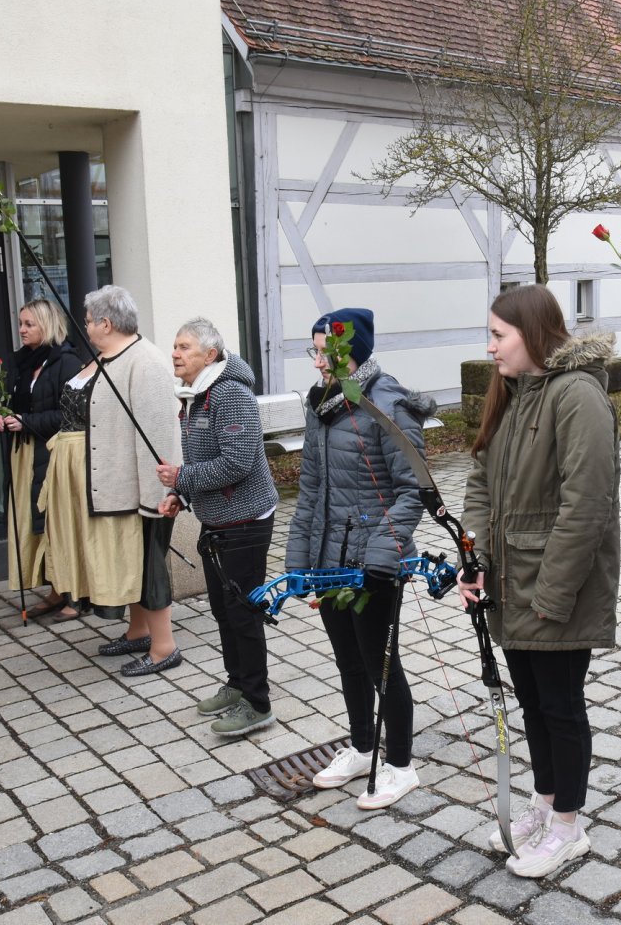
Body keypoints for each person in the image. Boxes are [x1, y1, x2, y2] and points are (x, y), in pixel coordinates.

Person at [460, 285, 621, 879]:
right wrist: (472, 553)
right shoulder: (513, 391)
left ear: (532, 332)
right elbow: (480, 478)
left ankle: (568, 828)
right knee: (531, 701)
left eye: (499, 335)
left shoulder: (576, 396)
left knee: (559, 705)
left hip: (557, 586)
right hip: (510, 581)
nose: (491, 346)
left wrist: (553, 592)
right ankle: (544, 802)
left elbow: (587, 505)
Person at [288, 307, 434, 809]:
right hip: (330, 556)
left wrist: (381, 556)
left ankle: (400, 765)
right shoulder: (323, 404)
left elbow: (412, 490)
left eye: (323, 351)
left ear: (349, 350)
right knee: (348, 661)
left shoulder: (387, 403)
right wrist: (298, 564)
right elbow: (310, 491)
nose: (316, 363)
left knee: (381, 663)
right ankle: (360, 746)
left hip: (374, 561)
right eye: (314, 351)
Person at [37, 285, 182, 676]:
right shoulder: (109, 357)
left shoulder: (144, 362)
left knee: (148, 565)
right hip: (110, 485)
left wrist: (161, 497)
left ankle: (164, 647)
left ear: (105, 322)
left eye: (87, 321)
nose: (84, 327)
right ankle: (138, 632)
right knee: (126, 564)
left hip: (141, 490)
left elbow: (159, 437)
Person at [155, 318, 278, 736]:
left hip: (246, 520)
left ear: (209, 355)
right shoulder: (194, 395)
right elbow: (208, 462)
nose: (175, 353)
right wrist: (182, 496)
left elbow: (237, 463)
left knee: (244, 613)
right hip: (218, 519)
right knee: (223, 611)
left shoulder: (229, 394)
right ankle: (237, 684)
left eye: (184, 347)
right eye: (175, 345)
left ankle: (258, 703)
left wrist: (181, 479)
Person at [0, 299, 82, 618]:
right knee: (35, 524)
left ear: (46, 324)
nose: (22, 329)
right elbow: (15, 404)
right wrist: (1, 417)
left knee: (57, 522)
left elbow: (72, 415)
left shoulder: (66, 362)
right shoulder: (21, 362)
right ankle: (55, 589)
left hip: (53, 454)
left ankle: (74, 594)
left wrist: (28, 422)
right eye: (21, 323)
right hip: (26, 455)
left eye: (29, 324)